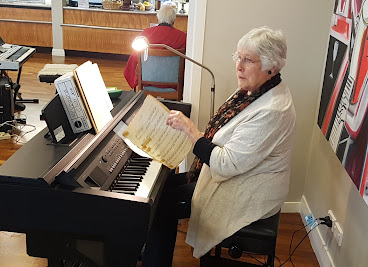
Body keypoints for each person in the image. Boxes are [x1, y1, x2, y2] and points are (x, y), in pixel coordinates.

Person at [141, 26, 296, 266]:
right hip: (235, 172)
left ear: (271, 67)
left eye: (248, 60)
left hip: (250, 187)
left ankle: (155, 260)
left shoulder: (273, 109)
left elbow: (226, 164)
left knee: (163, 205)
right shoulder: (252, 91)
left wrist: (190, 130)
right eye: (238, 57)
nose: (239, 66)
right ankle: (150, 250)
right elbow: (223, 138)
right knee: (159, 188)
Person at [123, 5, 187, 89]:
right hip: (173, 84)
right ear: (174, 20)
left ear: (158, 18)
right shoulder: (182, 37)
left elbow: (135, 59)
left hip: (147, 81)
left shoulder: (146, 34)